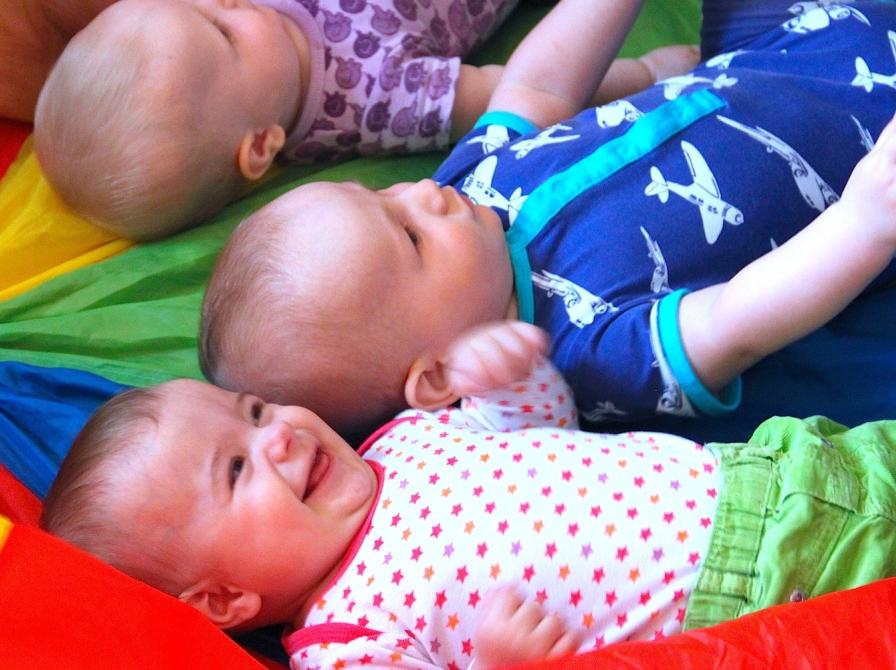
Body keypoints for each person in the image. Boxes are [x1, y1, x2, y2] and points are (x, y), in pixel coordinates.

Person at [200, 0, 896, 438]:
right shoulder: (584, 355)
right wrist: (863, 221)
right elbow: (732, 322)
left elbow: (538, 86)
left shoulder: (467, 188)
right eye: (409, 238)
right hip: (873, 140)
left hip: (783, 38)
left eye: (383, 195)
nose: (421, 194)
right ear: (438, 376)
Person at [42, 319, 896, 668]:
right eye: (236, 470)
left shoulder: (397, 440)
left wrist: (510, 378)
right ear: (226, 599)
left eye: (255, 409)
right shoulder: (345, 643)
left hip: (775, 466)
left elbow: (544, 430)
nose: (280, 435)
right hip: (759, 597)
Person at [31, 0, 695, 241]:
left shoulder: (248, 26)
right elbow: (513, 91)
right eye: (224, 33)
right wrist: (645, 72)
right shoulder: (372, 100)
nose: (227, 5)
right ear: (259, 146)